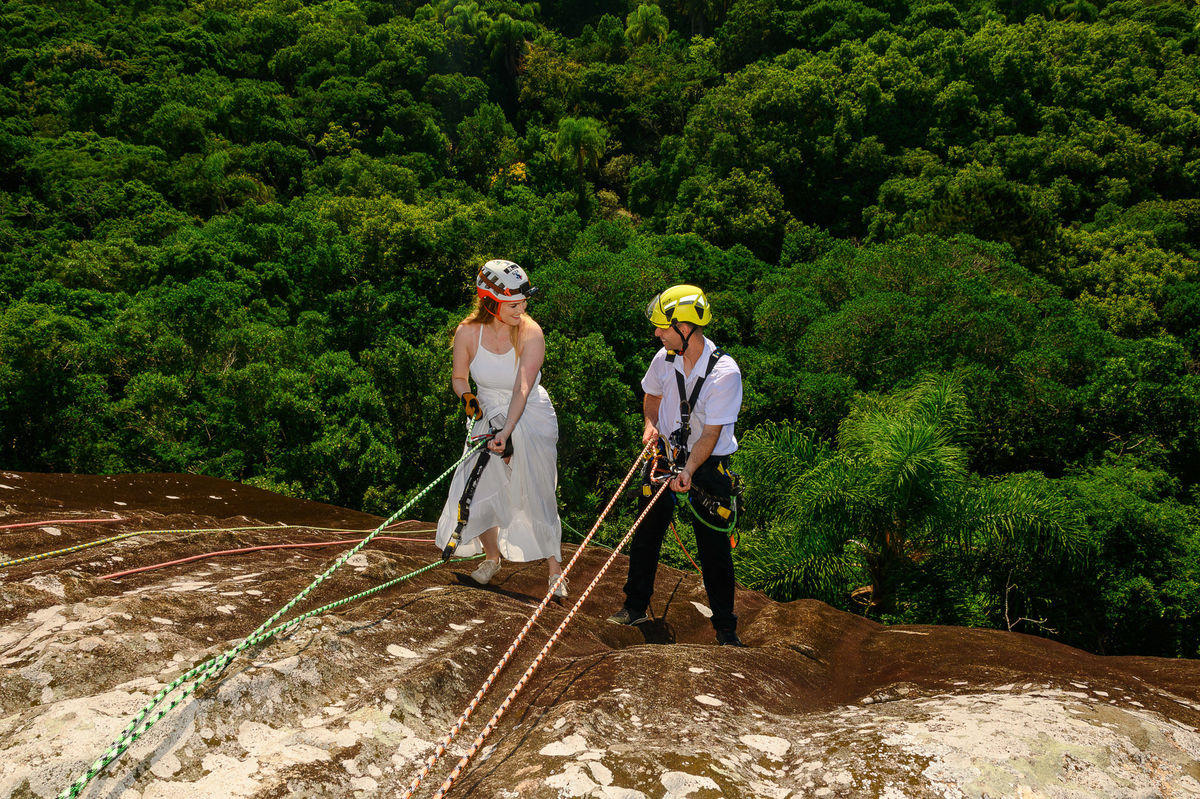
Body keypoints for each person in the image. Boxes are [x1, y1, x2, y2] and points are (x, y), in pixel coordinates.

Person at [607, 284, 746, 646]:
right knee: (646, 535)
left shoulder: (724, 373)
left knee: (713, 548)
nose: (656, 333)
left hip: (707, 464)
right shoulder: (664, 358)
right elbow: (651, 397)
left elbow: (711, 434)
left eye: (662, 327)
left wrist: (687, 471)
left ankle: (726, 629)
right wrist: (650, 425)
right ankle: (635, 605)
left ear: (686, 328)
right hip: (665, 456)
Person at [435, 259, 566, 597]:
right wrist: (468, 398)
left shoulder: (530, 332)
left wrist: (506, 431)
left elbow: (523, 387)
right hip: (487, 406)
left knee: (536, 486)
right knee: (477, 481)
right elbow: (459, 377)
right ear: (490, 301)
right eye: (514, 304)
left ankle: (555, 570)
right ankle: (492, 558)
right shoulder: (468, 332)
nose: (522, 309)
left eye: (523, 302)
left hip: (529, 410)